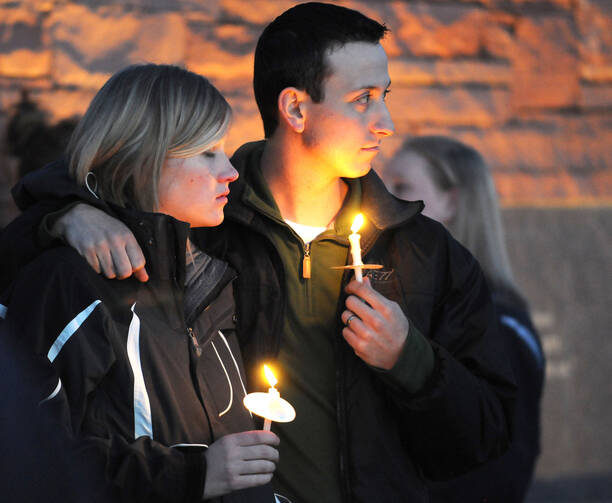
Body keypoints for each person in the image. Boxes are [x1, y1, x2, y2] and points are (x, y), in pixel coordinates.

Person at [0, 4, 516, 503]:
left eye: (385, 95)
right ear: (294, 107)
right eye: (363, 98)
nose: (385, 122)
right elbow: (118, 170)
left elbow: (489, 437)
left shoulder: (425, 251)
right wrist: (65, 214)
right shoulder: (203, 229)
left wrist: (411, 359)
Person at [0, 64, 280, 502]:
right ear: (142, 157)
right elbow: (27, 454)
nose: (230, 172)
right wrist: (192, 474)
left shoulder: (213, 280)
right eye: (207, 152)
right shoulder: (70, 283)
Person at [384, 135, 545, 502]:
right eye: (384, 184)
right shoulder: (425, 303)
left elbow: (498, 466)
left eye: (402, 187)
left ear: (452, 202)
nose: (385, 201)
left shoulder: (500, 325)